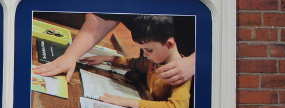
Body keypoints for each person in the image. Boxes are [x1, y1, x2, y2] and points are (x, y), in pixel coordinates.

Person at [35, 13, 196, 86]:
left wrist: (195, 62)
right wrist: (71, 55)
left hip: (196, 71)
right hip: (152, 68)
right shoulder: (150, 54)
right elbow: (105, 17)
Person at [80, 15, 191, 108]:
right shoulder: (156, 59)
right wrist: (110, 58)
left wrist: (128, 102)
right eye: (143, 50)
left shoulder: (181, 74)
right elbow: (137, 63)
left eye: (149, 50)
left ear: (169, 44)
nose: (146, 54)